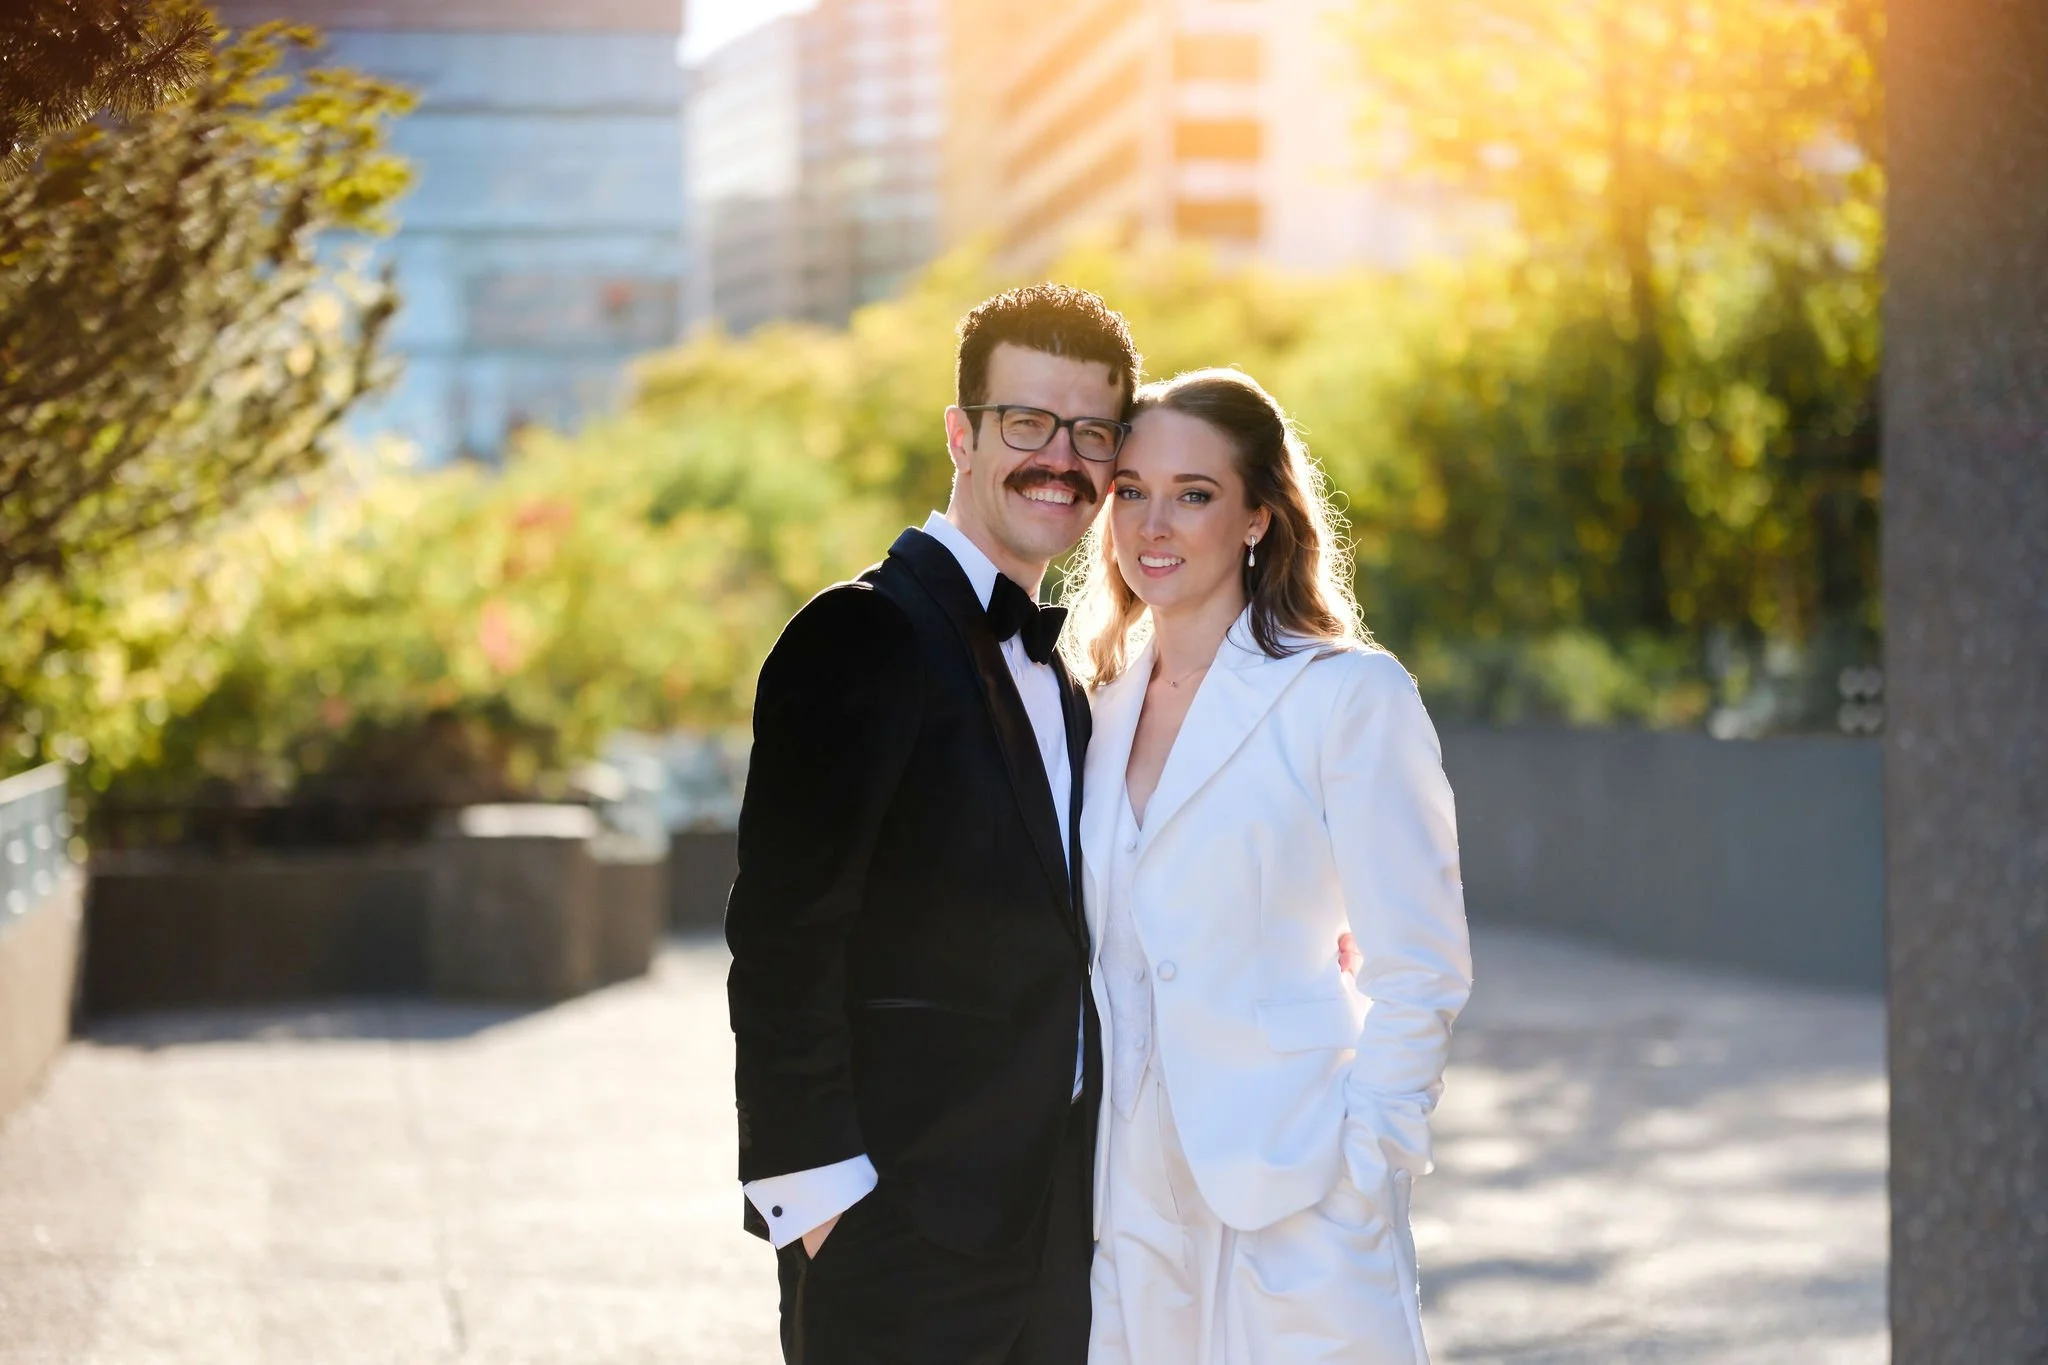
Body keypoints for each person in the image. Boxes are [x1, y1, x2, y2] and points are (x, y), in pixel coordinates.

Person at [725, 283, 1138, 1364]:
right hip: (896, 1236)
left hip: (1052, 1228)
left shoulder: (1063, 678)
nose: (1060, 456)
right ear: (960, 434)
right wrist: (823, 1208)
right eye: (1025, 423)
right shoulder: (858, 635)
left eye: (1090, 432)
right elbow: (779, 940)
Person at [1066, 368, 1473, 1364]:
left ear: (1256, 516)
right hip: (1124, 1202)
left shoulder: (1347, 698)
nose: (1152, 525)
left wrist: (1364, 1173)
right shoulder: (1089, 707)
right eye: (1129, 492)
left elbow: (1419, 970)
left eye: (1192, 495)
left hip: (1294, 1188)